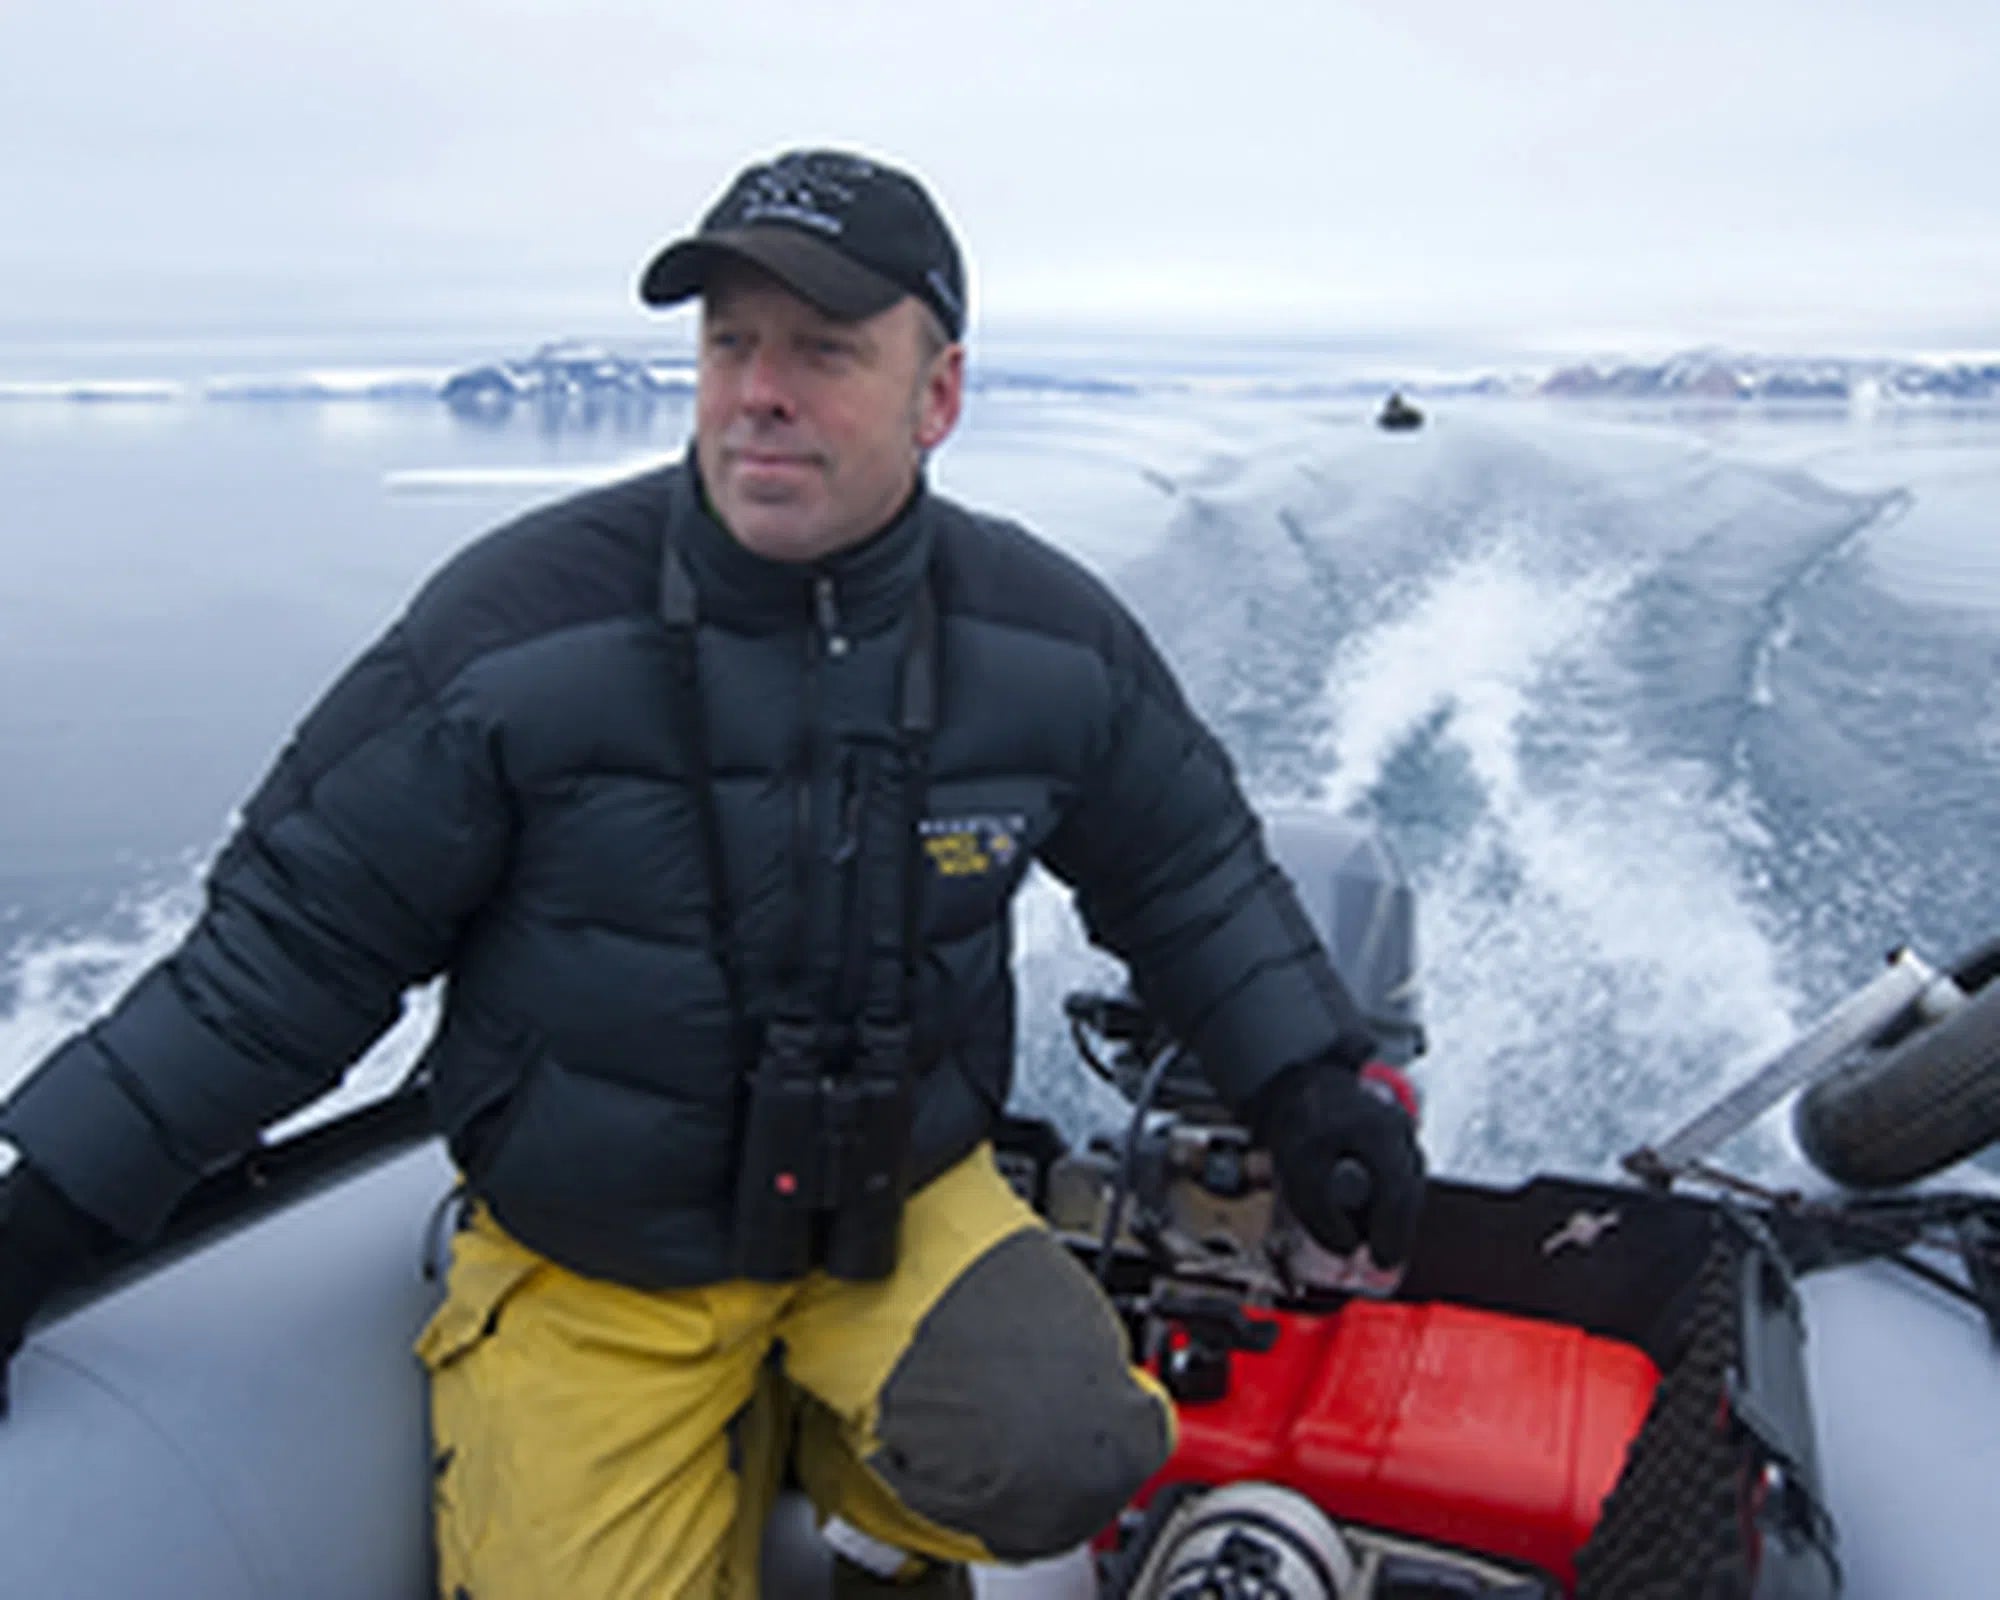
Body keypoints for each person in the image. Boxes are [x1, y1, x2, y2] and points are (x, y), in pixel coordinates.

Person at [0, 149, 1425, 1597]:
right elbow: (283, 962)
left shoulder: (1047, 645)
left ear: (938, 395)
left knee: (1067, 1445)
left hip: (895, 1213)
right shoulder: (513, 639)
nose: (759, 392)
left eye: (823, 350)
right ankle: (777, 1457)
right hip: (597, 1259)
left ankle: (829, 1457)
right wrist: (39, 1219)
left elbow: (1187, 876)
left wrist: (1309, 1087)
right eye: (730, 343)